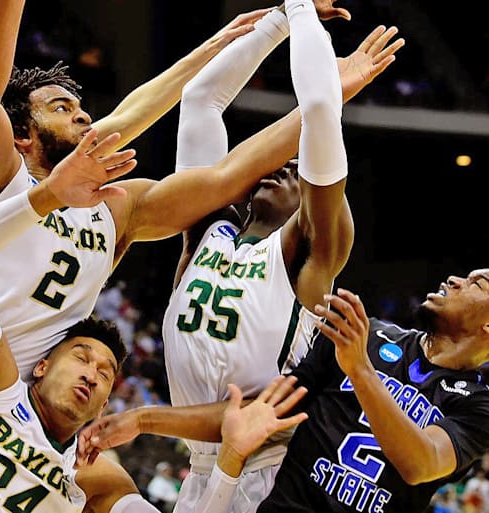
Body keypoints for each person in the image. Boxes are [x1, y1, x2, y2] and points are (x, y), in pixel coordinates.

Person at [0, 0, 403, 418]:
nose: (84, 115)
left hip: (32, 415)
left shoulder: (116, 209)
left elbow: (224, 176)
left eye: (80, 106)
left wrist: (325, 99)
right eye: (61, 108)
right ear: (21, 135)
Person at [0, 132, 307, 512]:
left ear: (104, 407)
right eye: (82, 358)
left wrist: (229, 462)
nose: (92, 374)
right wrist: (45, 196)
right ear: (42, 365)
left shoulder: (97, 478)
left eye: (105, 374)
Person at [162, 3, 401, 511]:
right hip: (199, 466)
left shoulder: (310, 253)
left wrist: (299, 8)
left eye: (298, 172)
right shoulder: (207, 233)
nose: (283, 169)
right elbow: (200, 100)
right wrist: (278, 20)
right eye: (282, 165)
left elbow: (316, 111)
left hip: (272, 470)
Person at [78, 269, 489, 513]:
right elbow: (260, 411)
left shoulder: (481, 408)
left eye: (476, 283)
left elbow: (419, 466)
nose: (455, 279)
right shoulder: (369, 336)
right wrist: (143, 419)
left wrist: (359, 371)